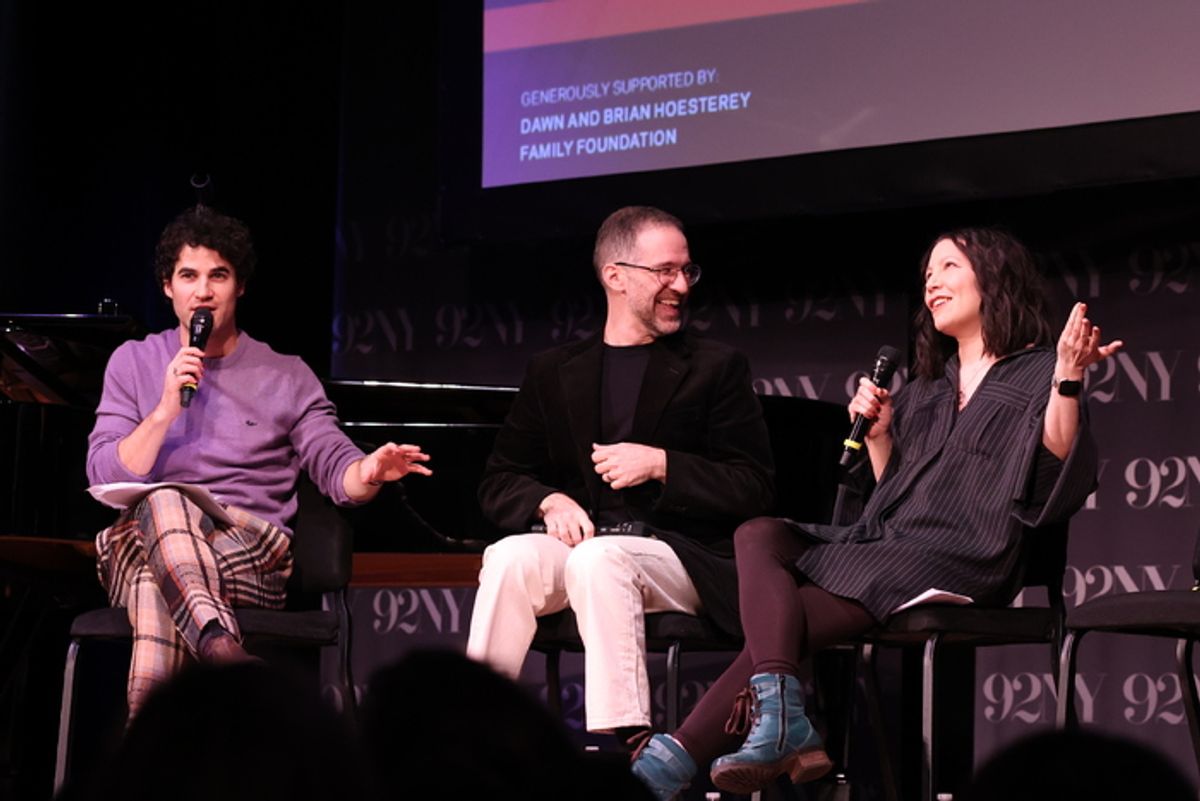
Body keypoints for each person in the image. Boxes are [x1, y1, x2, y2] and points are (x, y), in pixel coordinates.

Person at [630, 227, 1123, 798]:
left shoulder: (1038, 371)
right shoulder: (925, 389)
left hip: (967, 554)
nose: (932, 284)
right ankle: (767, 721)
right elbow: (897, 494)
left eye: (948, 268)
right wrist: (884, 437)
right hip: (894, 546)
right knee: (761, 533)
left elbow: (1056, 463)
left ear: (994, 277)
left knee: (790, 619)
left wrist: (1067, 377)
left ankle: (691, 753)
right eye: (927, 276)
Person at [85, 205, 431, 717]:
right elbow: (103, 474)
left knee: (152, 581)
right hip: (138, 541)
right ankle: (219, 645)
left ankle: (144, 760)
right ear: (167, 288)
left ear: (239, 286)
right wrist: (162, 411)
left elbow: (337, 471)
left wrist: (371, 471)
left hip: (250, 551)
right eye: (189, 276)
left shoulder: (286, 375)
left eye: (218, 276)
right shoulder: (133, 362)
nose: (203, 291)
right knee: (165, 506)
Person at [465, 206, 775, 741]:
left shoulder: (715, 367)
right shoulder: (554, 371)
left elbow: (754, 486)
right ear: (616, 276)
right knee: (509, 558)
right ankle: (468, 737)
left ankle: (624, 747)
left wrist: (662, 465)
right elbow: (500, 478)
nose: (680, 285)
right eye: (665, 271)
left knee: (599, 559)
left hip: (683, 559)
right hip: (589, 549)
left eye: (686, 271)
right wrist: (547, 501)